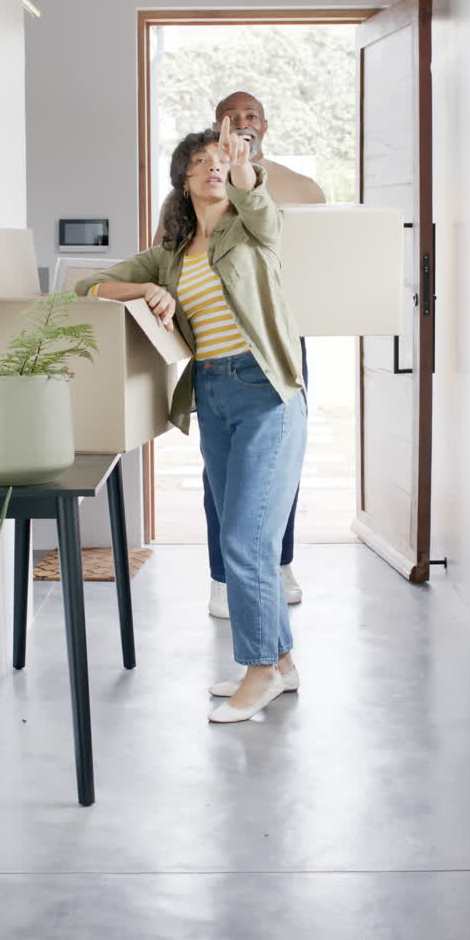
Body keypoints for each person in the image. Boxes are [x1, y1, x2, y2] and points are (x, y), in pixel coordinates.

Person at [78, 119, 307, 723]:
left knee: (247, 538)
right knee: (239, 534)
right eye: (201, 160)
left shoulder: (251, 228)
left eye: (222, 160)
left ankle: (256, 674)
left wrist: (244, 171)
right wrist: (150, 294)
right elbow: (89, 286)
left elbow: (260, 202)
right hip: (213, 396)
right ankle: (280, 664)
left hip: (266, 394)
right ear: (183, 180)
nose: (214, 166)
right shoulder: (171, 257)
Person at [154, 91, 325, 618]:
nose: (243, 123)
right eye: (232, 117)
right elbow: (162, 255)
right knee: (223, 480)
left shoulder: (297, 185)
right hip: (217, 353)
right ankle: (224, 577)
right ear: (218, 126)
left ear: (265, 126)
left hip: (275, 337)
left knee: (275, 470)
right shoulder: (206, 181)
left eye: (251, 116)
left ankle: (278, 564)